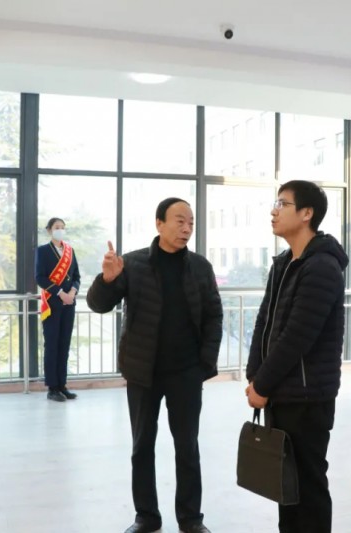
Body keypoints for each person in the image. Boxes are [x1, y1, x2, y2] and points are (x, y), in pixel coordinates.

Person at [86, 198, 222, 533]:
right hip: (143, 372)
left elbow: (213, 316)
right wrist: (107, 280)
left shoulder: (200, 267)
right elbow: (98, 304)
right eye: (179, 221)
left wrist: (205, 363)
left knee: (187, 447)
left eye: (191, 222)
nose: (186, 228)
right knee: (142, 446)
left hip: (186, 373)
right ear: (159, 223)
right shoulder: (132, 264)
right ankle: (146, 516)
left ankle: (190, 518)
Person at [245, 180, 349, 533]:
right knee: (286, 485)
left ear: (307, 213)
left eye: (282, 204)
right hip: (281, 391)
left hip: (307, 396)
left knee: (308, 486)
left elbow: (297, 337)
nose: (274, 211)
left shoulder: (322, 267)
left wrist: (263, 384)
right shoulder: (284, 263)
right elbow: (265, 322)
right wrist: (255, 376)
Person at [35, 217, 81, 402]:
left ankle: (62, 385)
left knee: (64, 345)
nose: (60, 230)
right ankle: (52, 388)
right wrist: (61, 293)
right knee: (52, 345)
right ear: (49, 230)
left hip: (69, 304)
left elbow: (76, 276)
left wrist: (73, 292)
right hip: (52, 304)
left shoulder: (70, 250)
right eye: (56, 227)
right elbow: (40, 277)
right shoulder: (43, 251)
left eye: (62, 227)